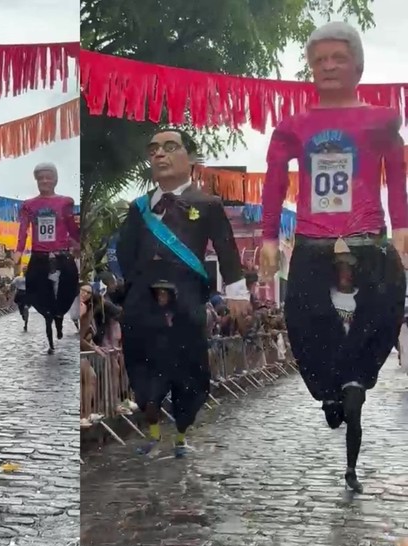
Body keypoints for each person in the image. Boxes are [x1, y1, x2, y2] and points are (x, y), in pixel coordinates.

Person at [258, 22, 407, 493]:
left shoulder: (381, 120)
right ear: (310, 67)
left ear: (358, 66)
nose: (327, 66)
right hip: (312, 240)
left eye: (338, 57)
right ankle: (336, 388)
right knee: (303, 319)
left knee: (383, 311)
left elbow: (397, 177)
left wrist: (403, 228)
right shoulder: (293, 127)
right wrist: (267, 236)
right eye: (319, 59)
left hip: (367, 238)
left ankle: (352, 381)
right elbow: (274, 181)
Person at [117, 128, 250, 458]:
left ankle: (180, 434)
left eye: (169, 147)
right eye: (153, 150)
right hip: (142, 301)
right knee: (141, 364)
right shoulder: (139, 208)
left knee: (188, 367)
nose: (159, 154)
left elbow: (227, 250)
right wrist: (135, 285)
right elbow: (125, 251)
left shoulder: (208, 204)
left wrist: (238, 294)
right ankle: (152, 432)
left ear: (189, 157)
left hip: (186, 298)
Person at [13, 163, 82, 354]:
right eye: (40, 178)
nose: (44, 181)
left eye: (48, 177)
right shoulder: (28, 205)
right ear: (36, 181)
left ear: (55, 179)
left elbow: (71, 227)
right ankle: (48, 320)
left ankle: (60, 316)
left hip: (62, 253)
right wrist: (19, 251)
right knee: (35, 287)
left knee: (71, 282)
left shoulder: (65, 202)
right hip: (39, 255)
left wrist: (78, 243)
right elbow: (23, 230)